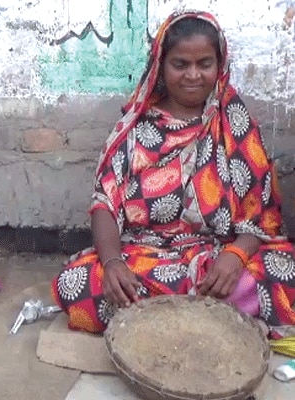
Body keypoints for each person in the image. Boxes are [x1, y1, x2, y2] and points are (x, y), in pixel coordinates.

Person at [51, 11, 295, 337]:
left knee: (283, 273)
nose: (193, 75)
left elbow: (262, 219)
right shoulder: (135, 128)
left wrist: (235, 256)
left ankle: (157, 324)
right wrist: (112, 264)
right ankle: (211, 323)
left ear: (219, 65)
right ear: (161, 66)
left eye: (204, 64)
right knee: (75, 283)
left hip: (219, 257)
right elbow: (104, 205)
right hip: (145, 256)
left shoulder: (236, 124)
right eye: (180, 64)